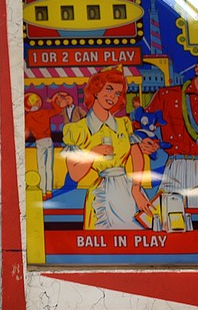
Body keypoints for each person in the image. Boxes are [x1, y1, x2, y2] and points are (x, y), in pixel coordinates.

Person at [62, 68, 155, 229]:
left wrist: (136, 189)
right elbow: (75, 175)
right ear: (96, 91)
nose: (113, 96)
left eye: (118, 93)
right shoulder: (77, 130)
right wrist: (93, 154)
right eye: (109, 89)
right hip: (101, 193)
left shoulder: (123, 124)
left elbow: (137, 156)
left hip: (128, 191)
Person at [146, 52, 198, 207]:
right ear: (197, 69)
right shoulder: (167, 95)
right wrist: (147, 141)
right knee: (169, 221)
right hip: (175, 167)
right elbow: (142, 124)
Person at [24, 91, 75, 198]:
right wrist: (52, 102)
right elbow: (58, 110)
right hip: (49, 140)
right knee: (49, 168)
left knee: (41, 167)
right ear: (38, 103)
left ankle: (42, 191)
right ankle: (49, 191)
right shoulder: (44, 112)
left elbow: (27, 133)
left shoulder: (28, 117)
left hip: (39, 142)